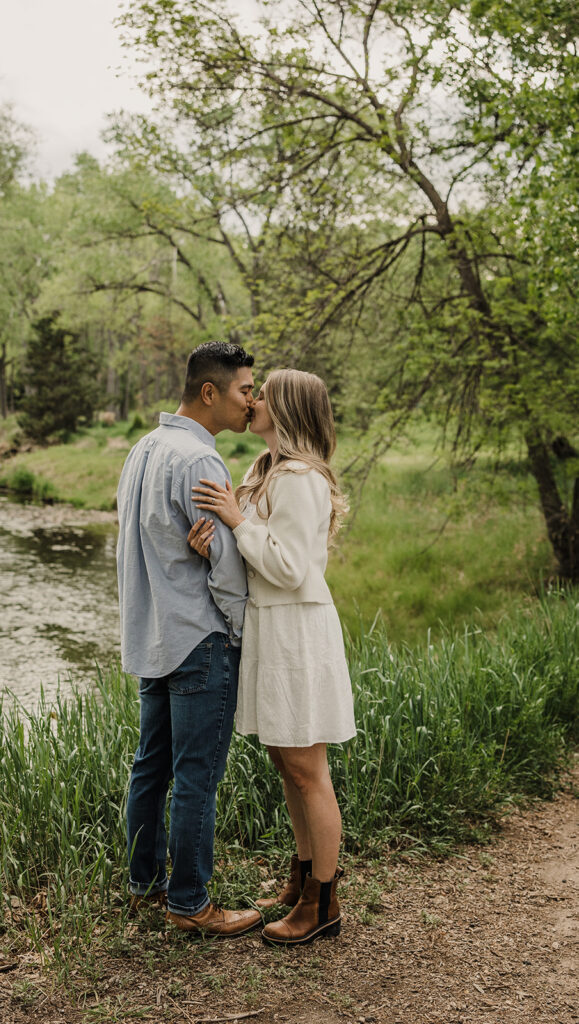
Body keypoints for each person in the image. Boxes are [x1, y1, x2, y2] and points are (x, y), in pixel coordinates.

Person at [189, 368, 356, 946]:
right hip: (270, 629)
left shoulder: (302, 479)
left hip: (298, 632)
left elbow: (287, 567)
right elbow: (252, 552)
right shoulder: (263, 471)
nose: (253, 400)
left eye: (264, 394)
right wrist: (216, 542)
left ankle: (324, 902)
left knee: (309, 769)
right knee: (286, 763)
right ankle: (302, 878)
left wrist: (236, 520)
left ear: (285, 409)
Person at [116, 341, 262, 937]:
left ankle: (145, 886)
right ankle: (191, 904)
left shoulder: (142, 450)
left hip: (154, 635)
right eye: (245, 390)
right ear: (211, 392)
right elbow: (226, 566)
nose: (251, 402)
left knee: (150, 767)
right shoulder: (201, 461)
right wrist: (241, 625)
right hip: (200, 636)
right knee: (197, 773)